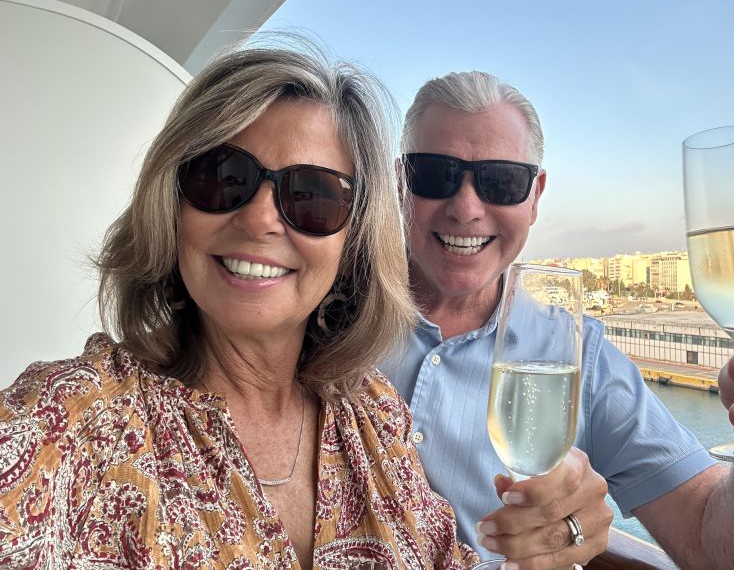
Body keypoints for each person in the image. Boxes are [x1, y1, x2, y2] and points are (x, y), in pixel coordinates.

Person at [0, 42, 478, 569]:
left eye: (313, 195)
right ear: (172, 205)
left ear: (354, 243)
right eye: (222, 177)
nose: (259, 220)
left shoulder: (374, 415)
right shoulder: (71, 420)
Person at [385, 70, 734, 569]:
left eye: (501, 181)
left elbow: (731, 553)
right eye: (435, 174)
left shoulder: (578, 356)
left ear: (535, 197)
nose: (466, 208)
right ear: (400, 183)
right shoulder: (321, 314)